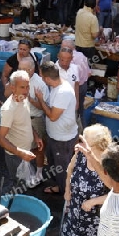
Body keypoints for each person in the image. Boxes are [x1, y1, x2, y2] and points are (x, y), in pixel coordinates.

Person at [62, 124, 112, 236]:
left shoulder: (109, 163)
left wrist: (93, 201)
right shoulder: (80, 153)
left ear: (95, 145)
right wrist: (67, 189)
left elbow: (117, 194)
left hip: (97, 214)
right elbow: (70, 169)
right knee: (75, 227)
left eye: (85, 141)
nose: (80, 143)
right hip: (76, 205)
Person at [35, 62, 78, 195]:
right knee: (55, 164)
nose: (41, 79)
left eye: (42, 77)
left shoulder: (62, 92)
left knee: (61, 168)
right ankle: (59, 186)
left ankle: (64, 194)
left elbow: (53, 116)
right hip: (56, 135)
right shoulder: (57, 85)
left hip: (62, 139)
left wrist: (40, 100)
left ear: (48, 79)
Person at [0, 70, 43, 184]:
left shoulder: (24, 98)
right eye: (22, 87)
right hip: (15, 157)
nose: (26, 91)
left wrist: (36, 136)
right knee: (18, 186)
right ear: (12, 88)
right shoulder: (8, 109)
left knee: (25, 183)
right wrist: (21, 153)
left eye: (27, 87)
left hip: (25, 153)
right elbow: (0, 139)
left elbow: (26, 120)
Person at [61, 39, 91, 128]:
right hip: (84, 85)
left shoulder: (68, 59)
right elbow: (89, 73)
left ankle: (74, 131)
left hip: (75, 88)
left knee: (71, 111)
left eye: (62, 47)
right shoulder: (81, 55)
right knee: (80, 111)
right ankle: (82, 131)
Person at [75, 0, 100, 64]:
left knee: (78, 66)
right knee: (87, 67)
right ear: (94, 6)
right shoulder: (93, 18)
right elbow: (94, 35)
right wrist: (100, 31)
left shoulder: (79, 12)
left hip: (78, 44)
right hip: (88, 47)